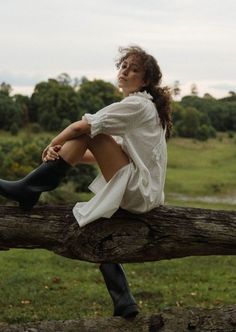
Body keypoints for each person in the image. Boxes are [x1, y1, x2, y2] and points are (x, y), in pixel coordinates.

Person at [0, 45, 172, 318]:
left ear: (147, 80)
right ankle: (124, 301)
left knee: (88, 128)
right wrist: (71, 153)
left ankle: (29, 189)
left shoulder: (137, 105)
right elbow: (103, 153)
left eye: (134, 69)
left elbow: (84, 128)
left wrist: (53, 143)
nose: (125, 71)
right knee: (100, 220)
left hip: (138, 190)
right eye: (123, 66)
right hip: (143, 192)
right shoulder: (144, 107)